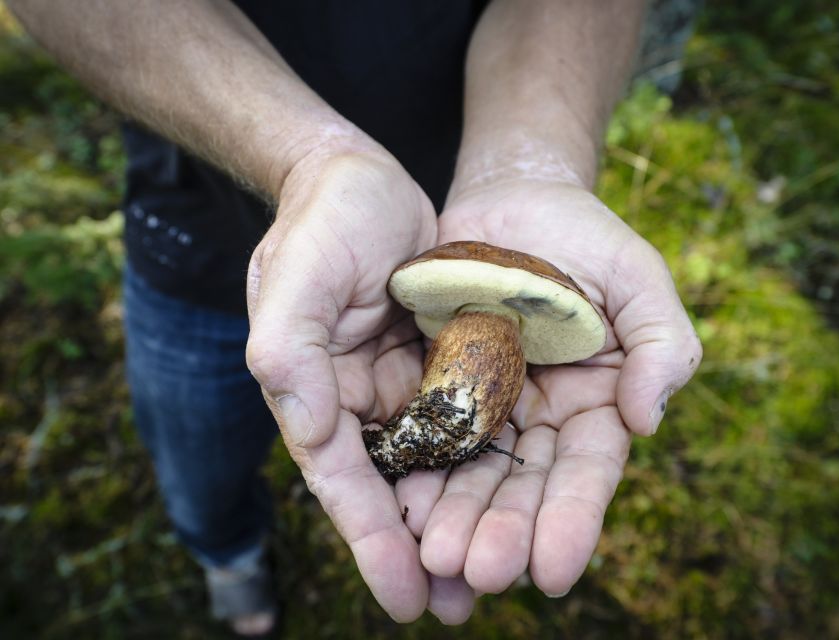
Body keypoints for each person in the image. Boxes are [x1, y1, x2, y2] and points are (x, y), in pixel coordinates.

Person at [9, 0, 703, 635]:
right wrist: (312, 160)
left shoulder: (476, 298)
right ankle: (226, 553)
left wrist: (535, 159)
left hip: (431, 223)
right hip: (193, 237)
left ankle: (238, 545)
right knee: (199, 461)